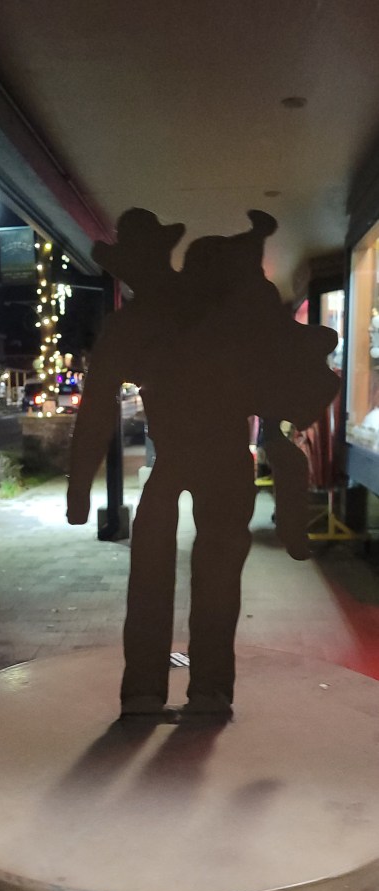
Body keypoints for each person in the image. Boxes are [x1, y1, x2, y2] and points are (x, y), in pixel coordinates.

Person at [67, 209, 339, 716]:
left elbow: (98, 403)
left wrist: (80, 490)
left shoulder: (153, 318)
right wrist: (78, 490)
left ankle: (159, 688)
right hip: (214, 461)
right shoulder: (215, 314)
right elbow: (98, 403)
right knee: (198, 572)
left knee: (170, 572)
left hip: (190, 461)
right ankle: (197, 688)